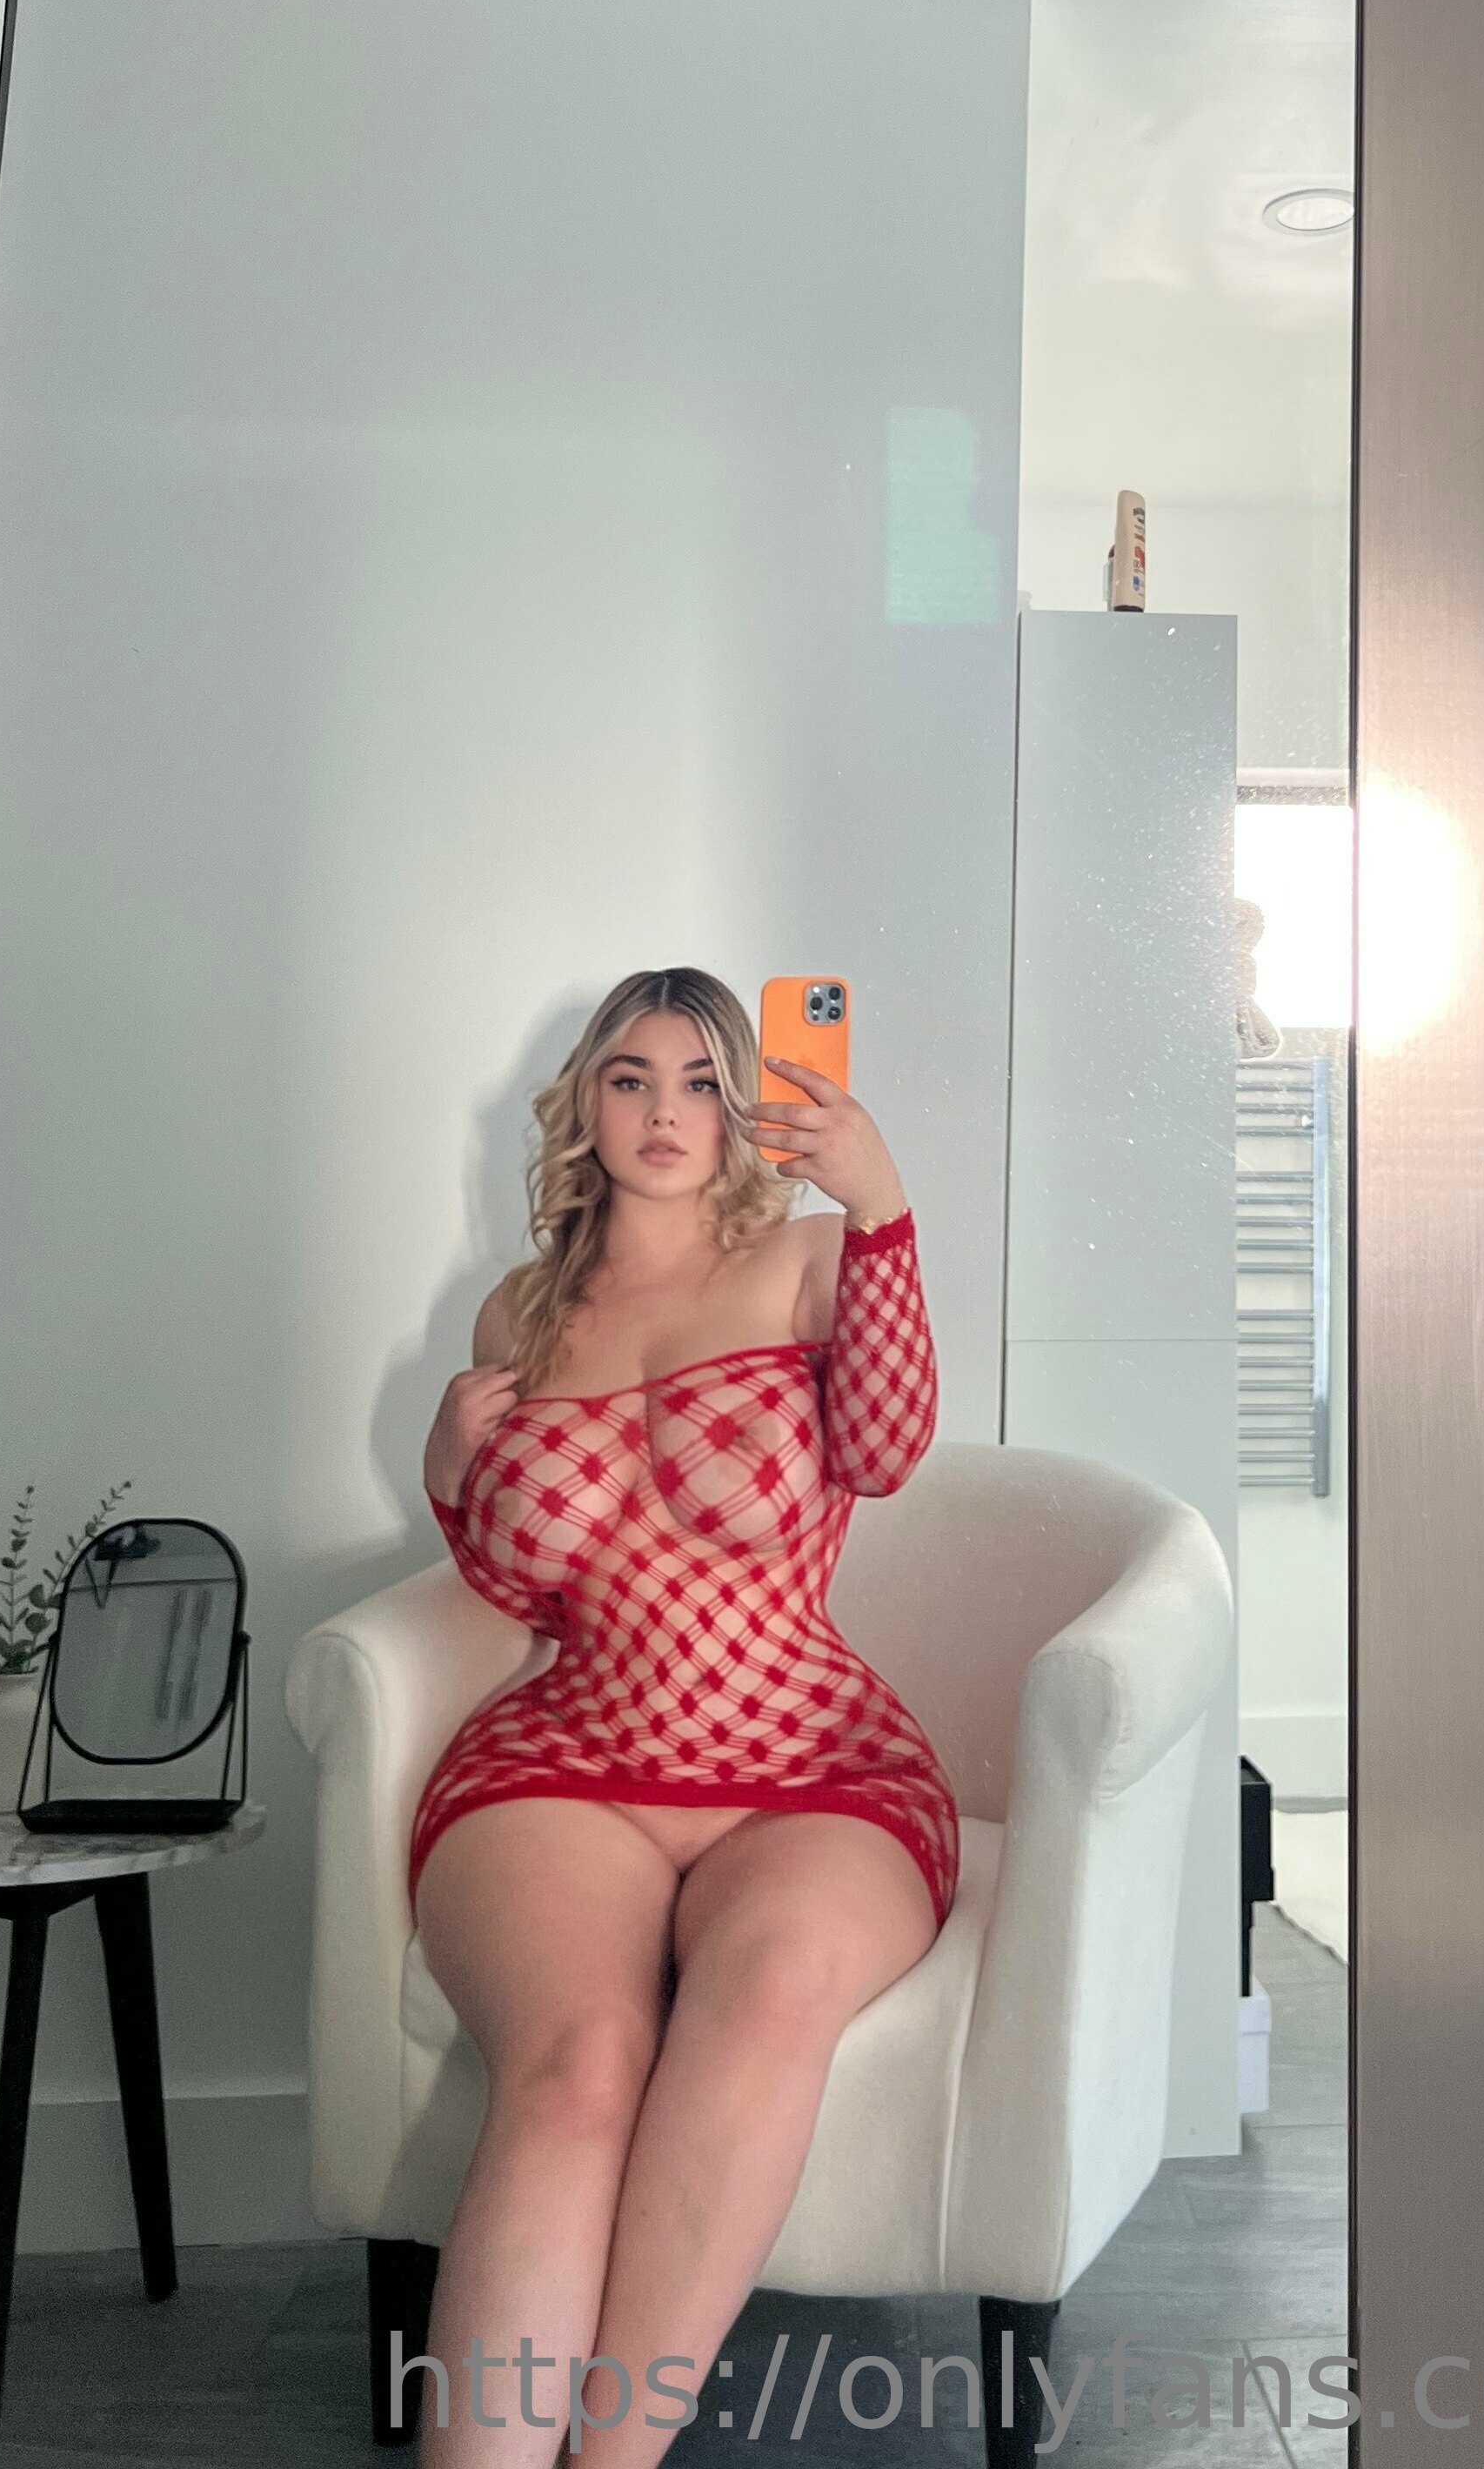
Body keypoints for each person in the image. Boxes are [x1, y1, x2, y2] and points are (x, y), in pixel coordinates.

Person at [410, 965, 955, 2466]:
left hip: (810, 1766)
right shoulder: (518, 1310)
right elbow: (518, 1583)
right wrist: (445, 1470)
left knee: (771, 1990)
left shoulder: (807, 1260)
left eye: (705, 1081)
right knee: (577, 2065)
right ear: (587, 1103)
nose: (667, 1112)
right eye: (632, 1078)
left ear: (743, 1110)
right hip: (569, 1762)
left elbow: (891, 1449)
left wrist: (881, 1203)